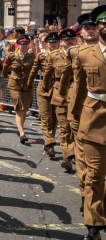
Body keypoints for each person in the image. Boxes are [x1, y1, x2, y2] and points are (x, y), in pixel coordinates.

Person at [71, 5, 106, 240]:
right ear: (99, 26)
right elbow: (79, 89)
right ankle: (93, 224)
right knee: (93, 175)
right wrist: (74, 119)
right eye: (104, 23)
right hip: (93, 118)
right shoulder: (85, 54)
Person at [60, 13, 99, 214]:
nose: (91, 30)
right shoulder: (75, 52)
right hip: (81, 109)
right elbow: (68, 78)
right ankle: (86, 195)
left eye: (94, 27)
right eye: (87, 28)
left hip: (98, 109)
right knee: (84, 157)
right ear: (81, 31)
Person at [42, 28, 77, 171]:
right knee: (64, 127)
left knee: (75, 127)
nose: (70, 42)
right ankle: (67, 156)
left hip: (77, 95)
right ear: (61, 42)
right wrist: (45, 88)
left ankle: (75, 153)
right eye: (66, 40)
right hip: (60, 95)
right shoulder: (54, 56)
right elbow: (48, 73)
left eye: (72, 39)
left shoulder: (81, 53)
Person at [27, 32, 60, 157]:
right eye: (51, 43)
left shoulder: (64, 56)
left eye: (55, 42)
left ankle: (49, 141)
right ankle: (49, 143)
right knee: (46, 118)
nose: (53, 45)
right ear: (46, 44)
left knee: (55, 119)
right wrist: (29, 83)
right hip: (43, 89)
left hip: (58, 90)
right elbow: (34, 70)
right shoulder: (41, 56)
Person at [3, 35, 36, 144]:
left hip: (27, 86)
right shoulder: (12, 56)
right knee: (19, 108)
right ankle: (22, 133)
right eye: (22, 44)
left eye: (26, 44)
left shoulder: (32, 56)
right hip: (15, 85)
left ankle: (19, 128)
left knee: (24, 109)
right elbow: (5, 68)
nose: (24, 46)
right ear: (18, 45)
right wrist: (7, 76)